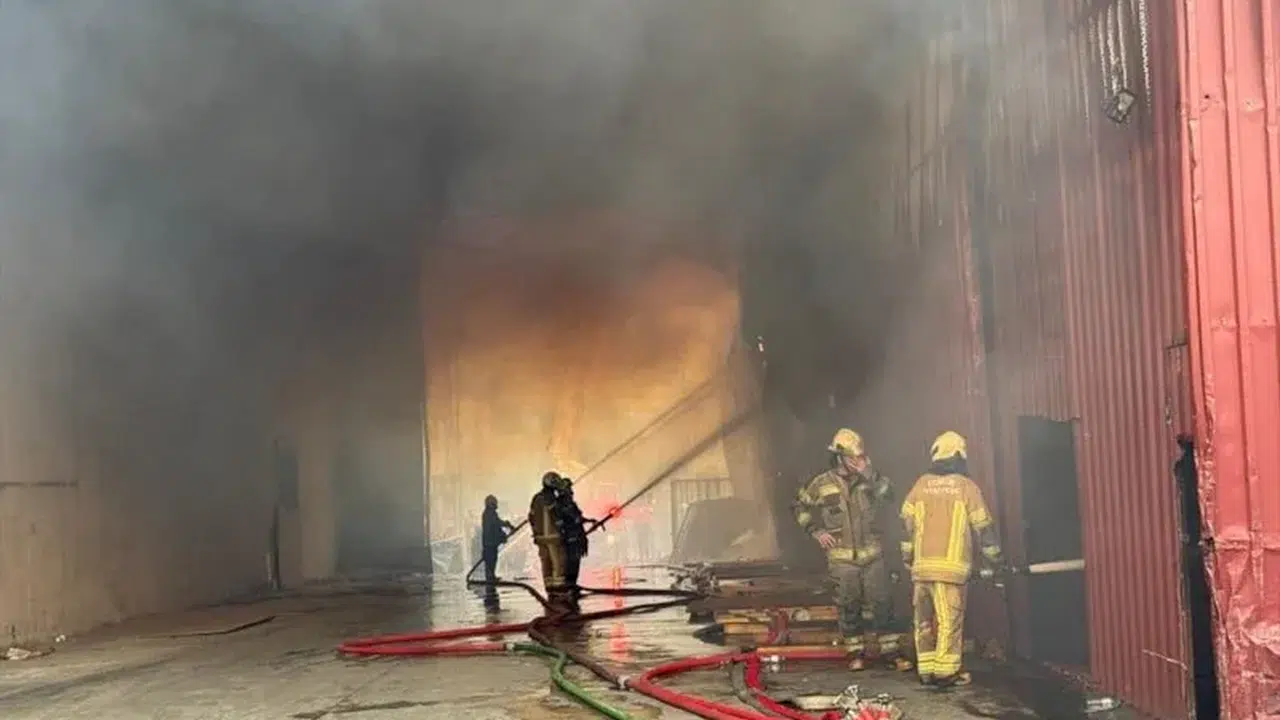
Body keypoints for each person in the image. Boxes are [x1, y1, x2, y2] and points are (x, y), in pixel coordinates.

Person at [793, 428, 911, 671]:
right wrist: (816, 531)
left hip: (872, 554)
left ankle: (890, 653)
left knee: (882, 603)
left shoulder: (872, 480)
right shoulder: (821, 483)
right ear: (839, 457)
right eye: (851, 458)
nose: (856, 462)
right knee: (848, 605)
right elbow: (798, 507)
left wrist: (869, 474)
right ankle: (855, 653)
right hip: (842, 558)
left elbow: (891, 497)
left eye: (860, 458)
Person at [900, 430, 1004, 687]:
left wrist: (907, 558)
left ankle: (926, 670)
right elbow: (983, 527)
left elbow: (906, 526)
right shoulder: (966, 487)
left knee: (923, 621)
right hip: (951, 570)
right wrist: (995, 560)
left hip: (922, 569)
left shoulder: (920, 485)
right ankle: (946, 673)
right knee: (949, 622)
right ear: (960, 456)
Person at [529, 471, 574, 614]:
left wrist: (536, 532)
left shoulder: (536, 498)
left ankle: (550, 589)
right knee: (559, 563)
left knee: (546, 563)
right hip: (554, 537)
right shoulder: (551, 498)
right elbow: (558, 516)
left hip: (541, 538)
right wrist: (563, 531)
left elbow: (531, 517)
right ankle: (559, 591)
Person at [554, 477, 597, 597]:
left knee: (575, 562)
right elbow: (569, 519)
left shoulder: (570, 503)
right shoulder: (561, 504)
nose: (571, 491)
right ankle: (569, 586)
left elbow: (578, 517)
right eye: (569, 488)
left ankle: (572, 585)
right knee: (570, 563)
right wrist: (577, 521)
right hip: (569, 538)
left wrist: (589, 521)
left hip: (576, 537)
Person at [480, 495, 516, 598]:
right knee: (490, 560)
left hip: (490, 543)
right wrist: (503, 534)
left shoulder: (490, 513)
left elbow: (497, 524)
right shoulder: (489, 514)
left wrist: (505, 528)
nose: (496, 505)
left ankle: (491, 577)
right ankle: (490, 578)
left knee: (493, 559)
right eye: (494, 503)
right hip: (489, 543)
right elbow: (496, 526)